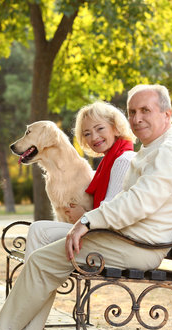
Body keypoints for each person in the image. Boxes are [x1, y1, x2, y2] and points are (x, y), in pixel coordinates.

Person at [0, 84, 172, 330]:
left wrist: (87, 221)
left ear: (167, 113)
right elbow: (127, 200)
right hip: (129, 237)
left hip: (140, 245)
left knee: (43, 260)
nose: (137, 118)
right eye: (133, 112)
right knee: (41, 233)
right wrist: (89, 221)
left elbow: (139, 202)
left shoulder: (171, 150)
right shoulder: (155, 148)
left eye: (145, 111)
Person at [24, 100, 136, 258]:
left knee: (39, 232)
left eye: (100, 128)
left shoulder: (124, 160)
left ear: (116, 128)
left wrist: (84, 217)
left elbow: (112, 211)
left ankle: (32, 279)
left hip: (113, 243)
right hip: (99, 234)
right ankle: (34, 278)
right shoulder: (107, 164)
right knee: (40, 235)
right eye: (87, 133)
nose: (94, 137)